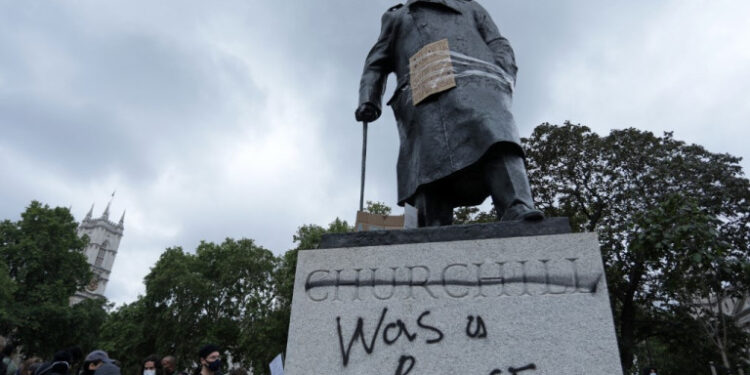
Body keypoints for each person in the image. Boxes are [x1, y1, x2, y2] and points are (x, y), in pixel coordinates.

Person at [356, 0, 544, 226]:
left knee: (496, 134)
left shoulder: (471, 7)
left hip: (477, 79)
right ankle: (431, 224)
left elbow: (498, 42)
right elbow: (376, 63)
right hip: (425, 89)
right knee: (427, 161)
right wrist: (369, 98)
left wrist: (502, 72)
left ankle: (516, 204)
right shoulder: (398, 16)